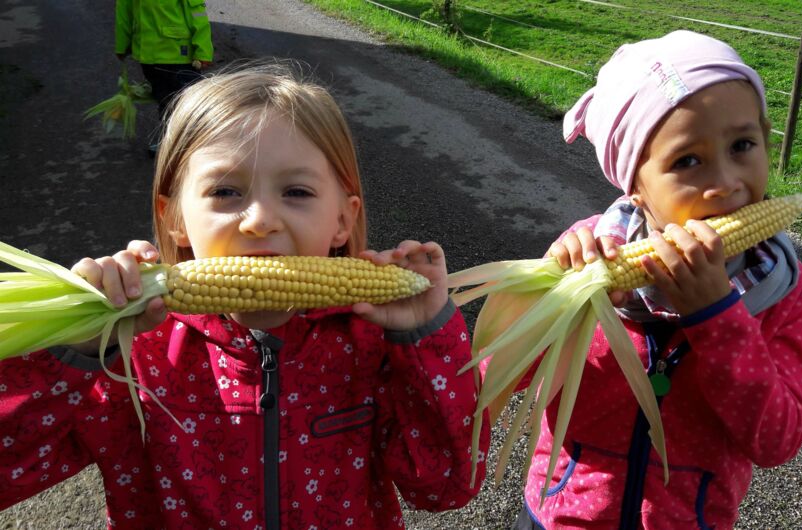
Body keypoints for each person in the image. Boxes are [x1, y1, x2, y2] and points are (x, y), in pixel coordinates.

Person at [0, 63, 489, 529]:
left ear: (343, 220)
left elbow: (446, 489)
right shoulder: (132, 354)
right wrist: (75, 350)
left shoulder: (371, 344)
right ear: (174, 218)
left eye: (296, 192)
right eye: (226, 193)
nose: (260, 219)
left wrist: (425, 342)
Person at [510, 31, 802, 529]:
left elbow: (777, 442)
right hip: (562, 517)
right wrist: (558, 300)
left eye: (743, 145)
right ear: (635, 185)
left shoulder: (786, 290)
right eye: (687, 161)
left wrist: (716, 316)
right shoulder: (587, 253)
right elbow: (506, 381)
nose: (727, 183)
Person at [115, 0, 214, 152]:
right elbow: (124, 14)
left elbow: (197, 14)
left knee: (190, 102)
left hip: (179, 55)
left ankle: (201, 144)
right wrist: (122, 45)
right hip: (150, 59)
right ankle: (171, 142)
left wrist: (203, 51)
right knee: (165, 101)